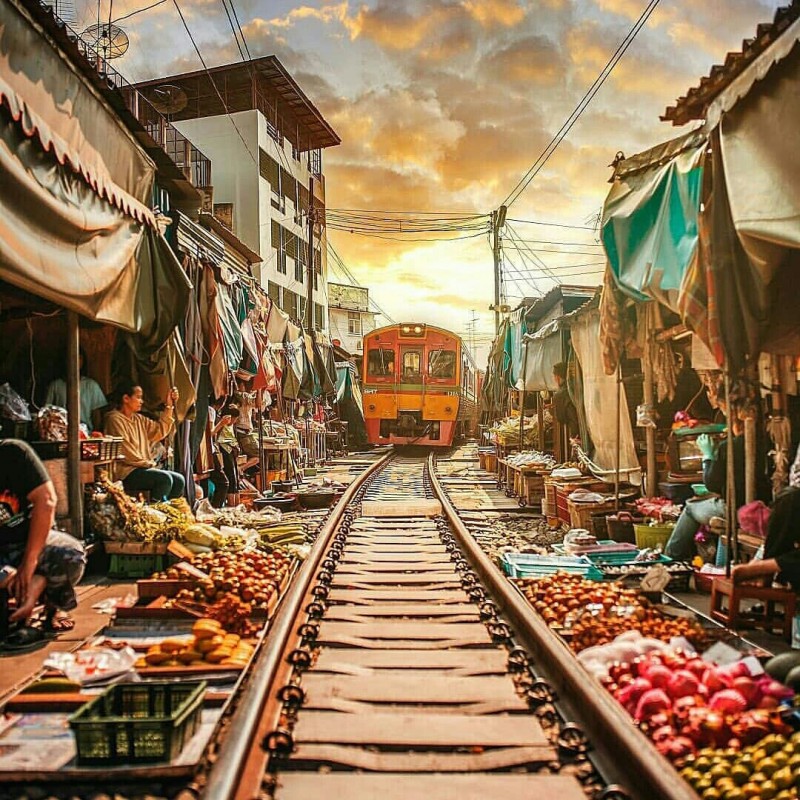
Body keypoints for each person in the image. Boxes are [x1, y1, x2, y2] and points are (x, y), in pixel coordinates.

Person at [665, 389, 771, 561]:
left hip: (737, 509)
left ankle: (671, 558)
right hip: (762, 506)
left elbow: (711, 484)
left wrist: (708, 457)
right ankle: (717, 567)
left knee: (691, 507)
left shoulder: (729, 446)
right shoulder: (768, 439)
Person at [0, 439, 86, 648]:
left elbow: (46, 501)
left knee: (70, 556)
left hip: (28, 544)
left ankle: (49, 600)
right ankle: (29, 592)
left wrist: (29, 563)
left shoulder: (13, 453)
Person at [104, 382, 185, 501]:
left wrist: (169, 406)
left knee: (179, 480)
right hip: (126, 472)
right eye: (138, 397)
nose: (141, 401)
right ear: (126, 398)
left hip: (142, 467)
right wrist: (148, 464)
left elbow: (159, 431)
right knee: (164, 479)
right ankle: (156, 511)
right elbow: (126, 452)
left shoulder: (138, 419)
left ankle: (170, 512)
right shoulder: (114, 419)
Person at [44, 348, 107, 430]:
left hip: (86, 433)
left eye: (79, 358)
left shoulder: (91, 385)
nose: (75, 361)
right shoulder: (55, 385)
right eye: (71, 357)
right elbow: (47, 412)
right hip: (61, 433)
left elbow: (97, 415)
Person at [552, 361, 579, 439]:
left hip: (575, 433)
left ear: (557, 377)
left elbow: (561, 419)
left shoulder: (559, 395)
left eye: (554, 376)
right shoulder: (576, 388)